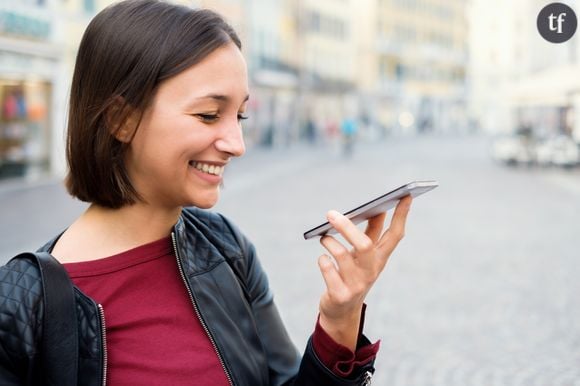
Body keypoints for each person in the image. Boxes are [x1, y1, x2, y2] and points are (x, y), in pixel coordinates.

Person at [0, 1, 412, 385]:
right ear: (120, 120)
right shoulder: (20, 304)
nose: (237, 143)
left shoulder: (225, 247)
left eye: (240, 115)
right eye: (209, 115)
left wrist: (339, 319)